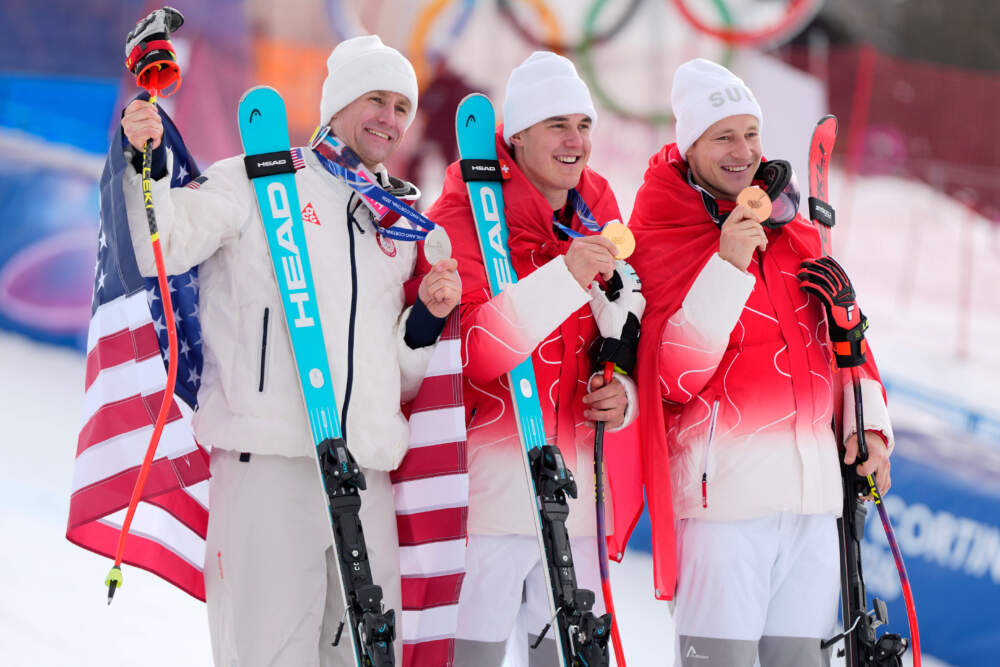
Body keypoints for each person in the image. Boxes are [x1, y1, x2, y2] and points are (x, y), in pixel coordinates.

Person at [119, 34, 461, 666]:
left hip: (366, 473)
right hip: (270, 462)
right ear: (335, 106)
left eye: (402, 107)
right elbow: (159, 244)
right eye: (375, 100)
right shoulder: (257, 179)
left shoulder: (397, 226)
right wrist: (148, 159)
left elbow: (400, 379)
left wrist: (425, 323)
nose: (391, 118)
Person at [627, 59, 895, 667]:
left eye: (751, 135)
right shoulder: (660, 233)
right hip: (724, 506)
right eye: (724, 136)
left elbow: (849, 353)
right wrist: (725, 267)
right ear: (689, 144)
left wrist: (868, 431)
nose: (743, 151)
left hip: (814, 505)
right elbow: (670, 378)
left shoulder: (796, 234)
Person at [417, 51, 643, 666]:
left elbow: (626, 326)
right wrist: (563, 277)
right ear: (516, 137)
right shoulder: (461, 217)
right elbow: (475, 352)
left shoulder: (598, 210)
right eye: (557, 126)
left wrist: (622, 391)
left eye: (585, 125)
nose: (576, 141)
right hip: (485, 499)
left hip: (573, 498)